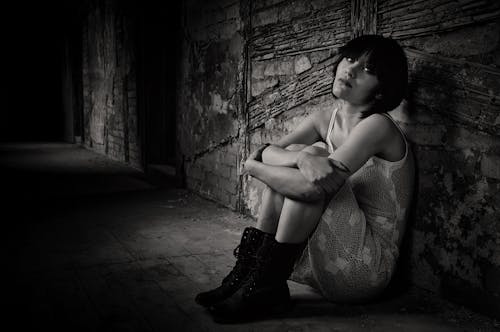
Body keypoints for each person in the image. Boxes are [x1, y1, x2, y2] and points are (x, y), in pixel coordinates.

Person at [195, 35, 415, 323]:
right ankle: (249, 277)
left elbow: (306, 184)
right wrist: (299, 159)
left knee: (314, 156)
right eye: (350, 59)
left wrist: (255, 168)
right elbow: (268, 152)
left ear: (382, 89)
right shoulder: (324, 119)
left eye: (368, 69)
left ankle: (265, 285)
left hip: (365, 268)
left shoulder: (377, 126)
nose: (350, 70)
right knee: (305, 154)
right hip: (325, 260)